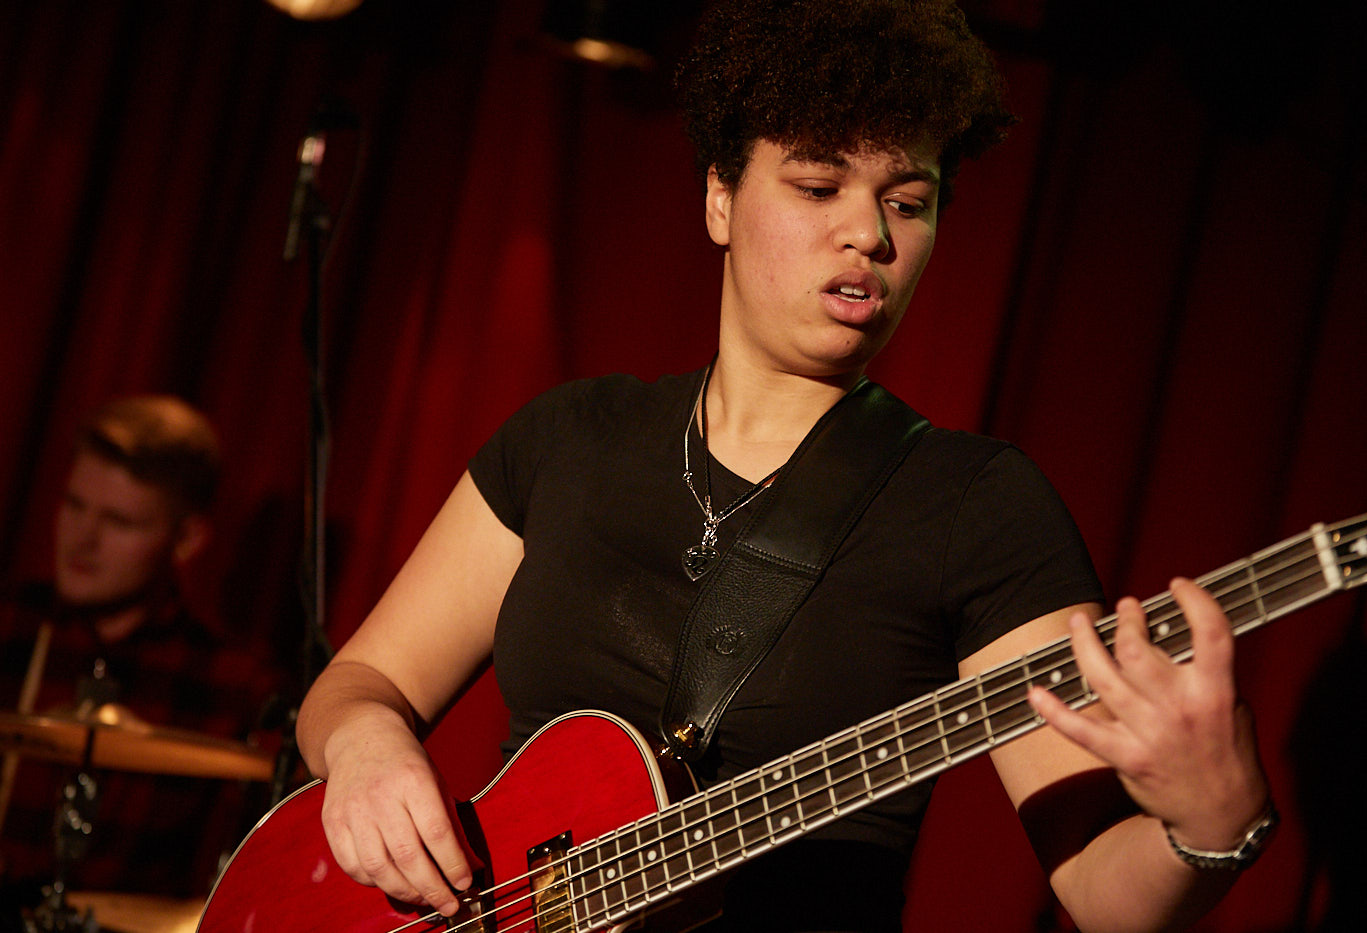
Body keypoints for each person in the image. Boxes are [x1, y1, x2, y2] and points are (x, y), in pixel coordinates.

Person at [295, 2, 1274, 930]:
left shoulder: (978, 507)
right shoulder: (570, 436)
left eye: (908, 202)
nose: (870, 235)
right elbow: (359, 683)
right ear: (719, 198)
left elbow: (1105, 895)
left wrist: (1213, 822)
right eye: (817, 188)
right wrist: (362, 741)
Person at [0, 396, 277, 905]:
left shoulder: (233, 683)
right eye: (74, 505)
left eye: (119, 522)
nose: (83, 539)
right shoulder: (11, 624)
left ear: (187, 538)